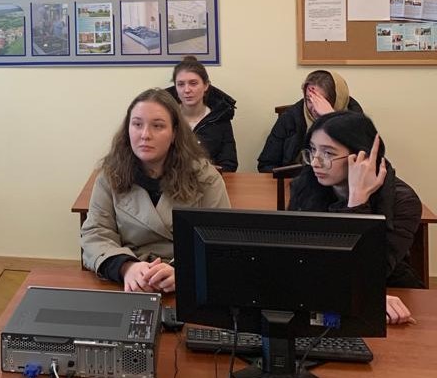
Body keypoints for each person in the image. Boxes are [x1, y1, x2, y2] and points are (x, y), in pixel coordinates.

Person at [81, 88, 230, 293]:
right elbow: (95, 233)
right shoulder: (110, 175)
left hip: (188, 283)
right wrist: (127, 267)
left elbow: (220, 239)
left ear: (174, 133)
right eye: (137, 124)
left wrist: (183, 272)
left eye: (158, 126)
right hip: (129, 282)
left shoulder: (205, 177)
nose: (145, 135)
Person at [288, 111, 422, 325]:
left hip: (387, 294)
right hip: (320, 293)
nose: (315, 162)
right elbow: (296, 259)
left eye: (328, 153)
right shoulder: (306, 186)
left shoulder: (402, 201)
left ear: (362, 157)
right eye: (312, 150)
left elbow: (372, 270)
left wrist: (357, 202)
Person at [257, 69, 363, 172]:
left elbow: (364, 162)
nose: (314, 107)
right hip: (296, 180)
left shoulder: (355, 117)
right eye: (309, 99)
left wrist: (331, 119)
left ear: (337, 100)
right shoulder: (290, 117)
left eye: (321, 101)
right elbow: (266, 165)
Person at [164, 56, 238, 171]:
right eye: (181, 84)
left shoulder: (220, 117)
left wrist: (207, 171)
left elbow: (229, 165)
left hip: (210, 180)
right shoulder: (165, 118)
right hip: (171, 180)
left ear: (206, 85)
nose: (187, 90)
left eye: (193, 83)